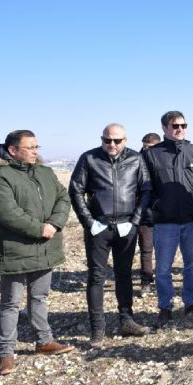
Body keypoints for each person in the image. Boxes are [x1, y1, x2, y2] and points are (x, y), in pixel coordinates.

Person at [0, 130, 74, 376]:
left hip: (45, 246)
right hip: (15, 249)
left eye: (36, 146)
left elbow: (63, 198)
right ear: (13, 150)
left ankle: (44, 342)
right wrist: (39, 229)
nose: (35, 151)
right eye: (30, 147)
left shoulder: (45, 172)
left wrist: (54, 224)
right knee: (11, 303)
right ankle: (5, 354)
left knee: (40, 297)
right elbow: (6, 213)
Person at [69, 123, 152, 347]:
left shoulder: (135, 159)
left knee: (124, 274)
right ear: (102, 139)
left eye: (117, 140)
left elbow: (146, 190)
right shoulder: (89, 159)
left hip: (126, 227)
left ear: (125, 140)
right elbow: (75, 190)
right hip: (99, 227)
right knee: (96, 276)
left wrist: (135, 222)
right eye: (107, 140)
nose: (112, 145)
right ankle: (97, 328)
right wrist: (89, 222)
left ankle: (126, 320)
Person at [143, 110, 193, 327]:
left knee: (191, 265)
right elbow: (145, 187)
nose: (180, 129)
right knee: (163, 267)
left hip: (191, 220)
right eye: (175, 126)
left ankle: (191, 302)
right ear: (164, 128)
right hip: (165, 222)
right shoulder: (152, 154)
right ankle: (165, 306)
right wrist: (154, 209)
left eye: (183, 125)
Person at [137, 132, 161, 296]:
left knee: (163, 250)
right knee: (146, 249)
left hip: (163, 214)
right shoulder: (135, 162)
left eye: (150, 147)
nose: (147, 150)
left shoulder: (164, 163)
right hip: (144, 214)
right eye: (144, 147)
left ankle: (161, 279)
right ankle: (146, 281)